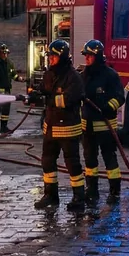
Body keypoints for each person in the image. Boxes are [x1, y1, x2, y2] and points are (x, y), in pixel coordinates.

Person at [35, 39, 87, 212]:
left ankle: (79, 197)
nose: (50, 59)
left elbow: (68, 99)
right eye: (49, 56)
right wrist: (35, 95)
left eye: (53, 56)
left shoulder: (74, 77)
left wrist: (46, 98)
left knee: (72, 164)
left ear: (62, 56)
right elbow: (44, 89)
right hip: (50, 127)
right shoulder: (50, 74)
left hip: (67, 129)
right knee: (47, 162)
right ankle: (51, 195)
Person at [80, 40, 125, 204]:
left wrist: (108, 107)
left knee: (110, 160)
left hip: (106, 127)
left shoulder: (110, 75)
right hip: (88, 127)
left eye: (90, 55)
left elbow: (120, 97)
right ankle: (92, 190)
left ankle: (114, 191)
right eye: (86, 55)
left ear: (97, 56)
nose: (86, 58)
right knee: (90, 160)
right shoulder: (83, 75)